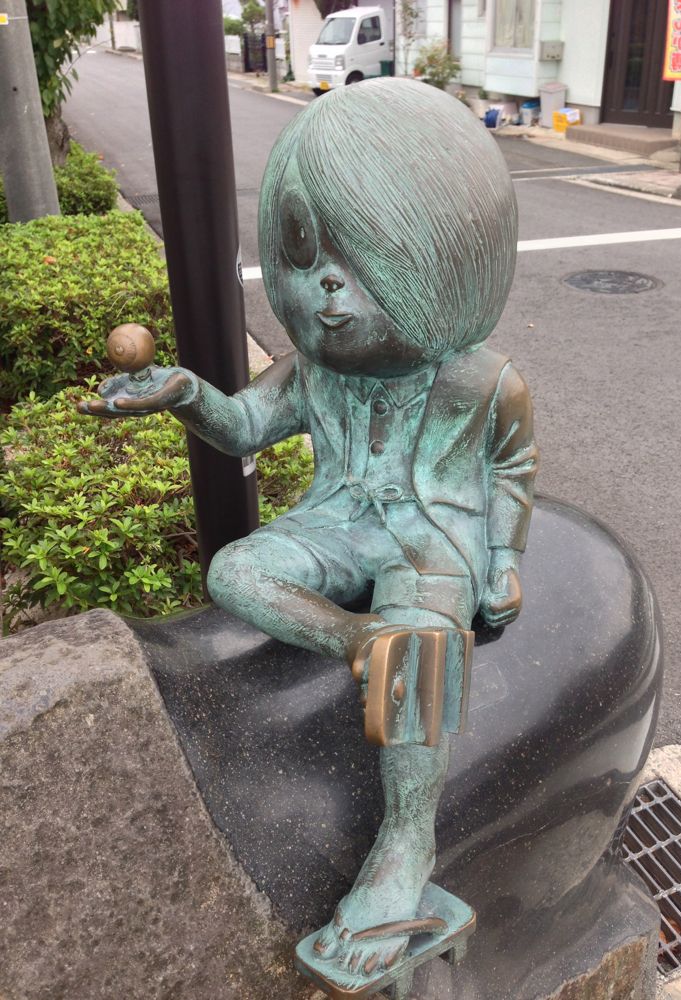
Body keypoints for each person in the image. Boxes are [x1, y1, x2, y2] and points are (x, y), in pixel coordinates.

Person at [80, 77, 538, 981]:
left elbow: (512, 470)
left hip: (432, 544)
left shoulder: (484, 383)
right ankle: (357, 639)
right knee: (236, 572)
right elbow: (244, 426)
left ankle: (406, 842)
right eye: (307, 255)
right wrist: (185, 394)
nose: (328, 284)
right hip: (336, 526)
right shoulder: (313, 371)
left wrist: (502, 561)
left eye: (362, 259)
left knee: (424, 646)